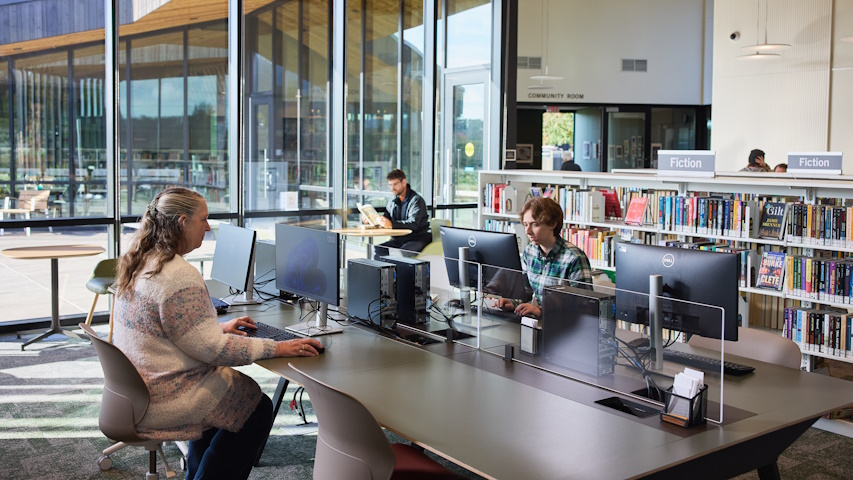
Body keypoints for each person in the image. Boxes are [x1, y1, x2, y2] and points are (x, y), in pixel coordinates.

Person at [112, 186, 322, 480]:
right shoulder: (178, 274)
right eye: (203, 220)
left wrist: (216, 328)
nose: (208, 228)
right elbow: (215, 351)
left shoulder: (142, 259)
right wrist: (279, 348)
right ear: (182, 222)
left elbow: (167, 328)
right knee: (256, 409)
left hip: (140, 387)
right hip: (166, 394)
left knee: (225, 407)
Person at [497, 197, 593, 317]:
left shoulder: (574, 258)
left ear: (552, 223)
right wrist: (514, 303)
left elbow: (586, 305)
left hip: (567, 325)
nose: (527, 231)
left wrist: (542, 311)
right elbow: (526, 291)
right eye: (525, 225)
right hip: (542, 322)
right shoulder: (529, 252)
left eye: (534, 225)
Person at [368, 169, 432, 256]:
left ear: (404, 182)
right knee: (378, 249)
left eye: (395, 184)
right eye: (390, 185)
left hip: (418, 238)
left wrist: (391, 224)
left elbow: (413, 224)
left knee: (400, 252)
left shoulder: (416, 200)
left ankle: (396, 269)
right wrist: (372, 220)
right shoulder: (393, 201)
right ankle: (384, 270)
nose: (392, 188)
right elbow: (386, 219)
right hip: (400, 239)